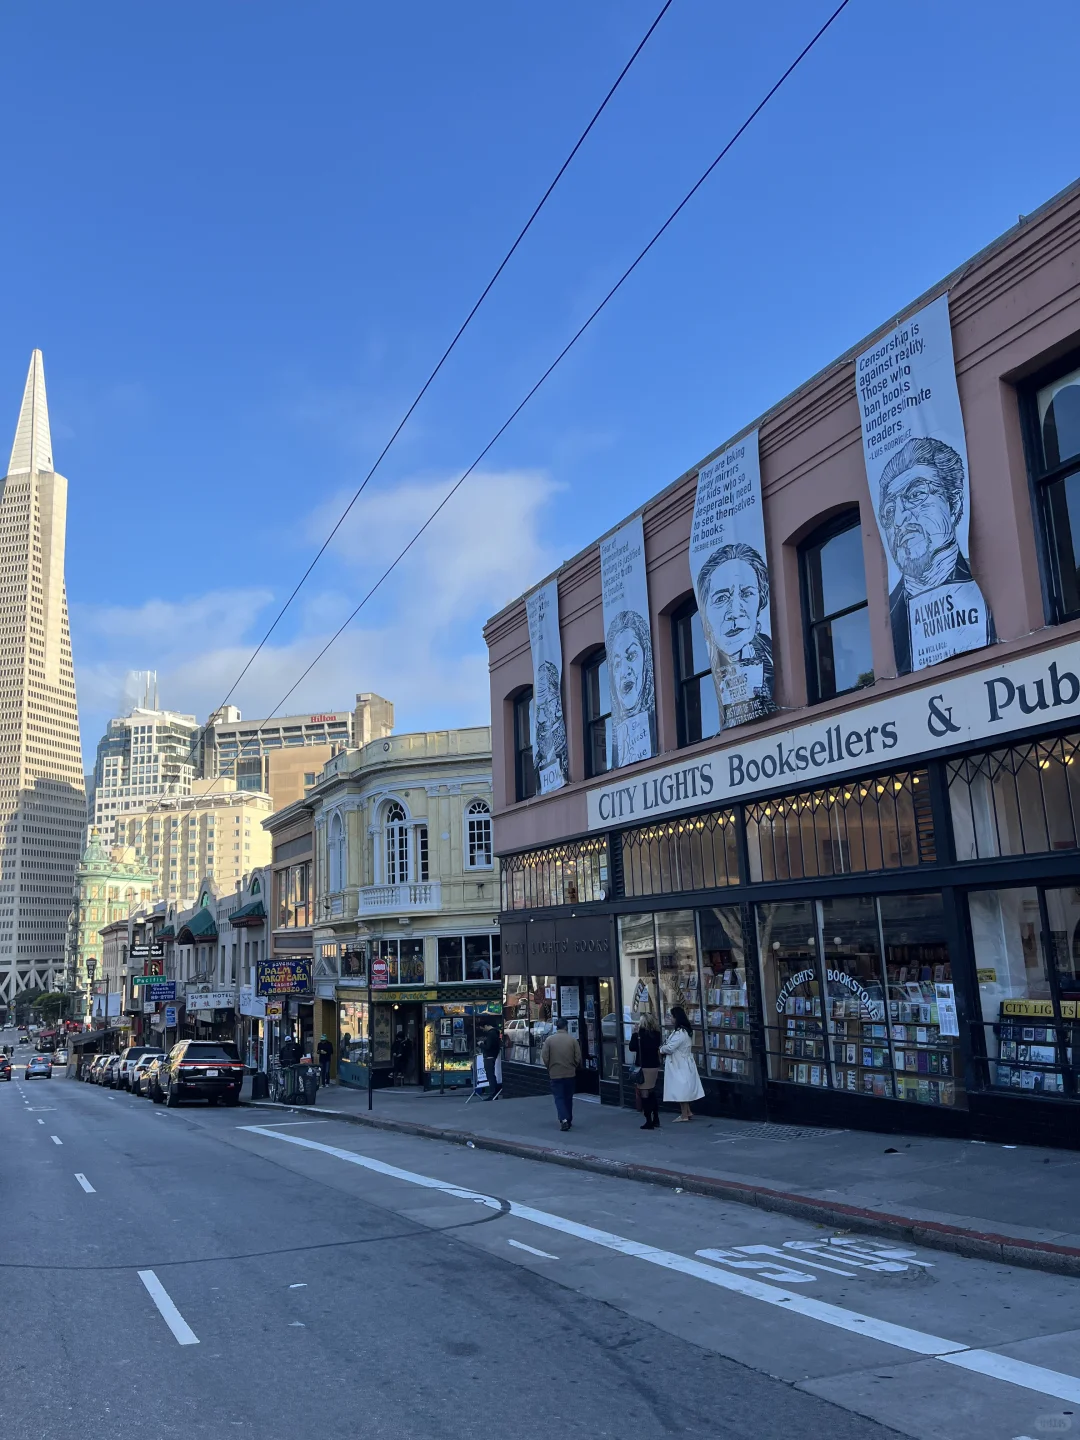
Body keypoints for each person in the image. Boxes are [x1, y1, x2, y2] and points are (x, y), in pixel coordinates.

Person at [878, 435, 994, 674]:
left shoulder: (988, 583)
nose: (899, 520)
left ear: (954, 504)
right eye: (889, 511)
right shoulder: (890, 615)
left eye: (916, 494)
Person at [695, 542, 774, 718]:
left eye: (747, 593)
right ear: (704, 611)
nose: (735, 612)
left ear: (760, 601)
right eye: (721, 598)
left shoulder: (770, 651)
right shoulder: (701, 667)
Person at [606, 608, 655, 766]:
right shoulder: (614, 738)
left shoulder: (656, 720)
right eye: (617, 663)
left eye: (631, 656)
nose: (624, 672)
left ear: (646, 660)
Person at [661, 1006, 704, 1122]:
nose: (670, 1018)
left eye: (672, 1016)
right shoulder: (684, 1031)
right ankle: (688, 1111)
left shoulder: (680, 1033)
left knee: (681, 1089)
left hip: (679, 1063)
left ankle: (684, 1115)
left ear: (676, 1018)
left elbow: (670, 1048)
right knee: (683, 1088)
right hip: (683, 1062)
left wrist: (661, 1049)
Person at [540, 1018, 581, 1131]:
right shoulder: (572, 1040)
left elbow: (545, 1057)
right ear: (566, 1027)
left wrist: (550, 1067)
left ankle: (563, 1119)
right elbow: (578, 1057)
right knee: (568, 1098)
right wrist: (573, 1066)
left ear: (556, 1027)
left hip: (555, 1074)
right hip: (570, 1073)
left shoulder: (549, 1040)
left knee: (559, 1097)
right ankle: (569, 1119)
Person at [628, 1013, 662, 1130]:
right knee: (651, 1091)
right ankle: (656, 1117)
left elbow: (632, 1047)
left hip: (644, 1067)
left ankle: (649, 1120)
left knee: (644, 1093)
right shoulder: (657, 1034)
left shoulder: (639, 1035)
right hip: (654, 1066)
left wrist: (634, 1033)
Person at [480, 1022, 502, 1099]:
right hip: (493, 1056)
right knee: (491, 1075)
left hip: (489, 1057)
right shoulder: (496, 1033)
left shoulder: (491, 1034)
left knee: (490, 1075)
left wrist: (481, 1044)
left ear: (486, 1025)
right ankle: (494, 1093)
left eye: (483, 1028)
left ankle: (493, 1093)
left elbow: (488, 1047)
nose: (483, 1030)